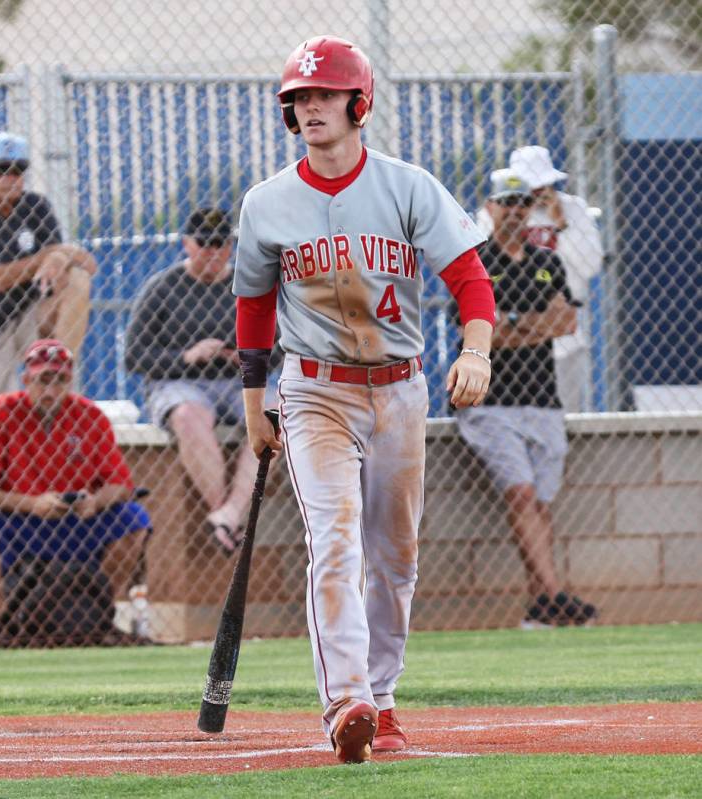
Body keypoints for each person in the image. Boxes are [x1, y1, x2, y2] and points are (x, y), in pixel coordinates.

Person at [231, 36, 495, 763]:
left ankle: (382, 699)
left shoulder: (407, 186)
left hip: (400, 390)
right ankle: (346, 700)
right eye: (298, 98)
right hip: (314, 390)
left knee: (394, 555)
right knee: (335, 539)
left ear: (358, 103)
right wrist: (256, 408)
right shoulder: (268, 202)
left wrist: (475, 351)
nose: (308, 107)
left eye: (322, 95)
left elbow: (470, 280)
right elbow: (253, 310)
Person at [455, 169, 598, 629]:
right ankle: (555, 595)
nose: (516, 211)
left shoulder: (547, 260)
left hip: (542, 398)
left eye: (523, 203)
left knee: (538, 502)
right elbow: (477, 335)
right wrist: (531, 326)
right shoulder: (475, 260)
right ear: (491, 208)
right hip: (491, 400)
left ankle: (540, 607)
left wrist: (511, 325)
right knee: (520, 492)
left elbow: (566, 323)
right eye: (506, 203)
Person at [0, 339, 151, 647]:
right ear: (26, 379)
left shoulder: (89, 415)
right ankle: (7, 627)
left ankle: (97, 618)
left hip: (77, 520)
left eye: (59, 380)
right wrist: (31, 504)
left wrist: (94, 501)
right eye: (42, 380)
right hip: (19, 519)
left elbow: (121, 484)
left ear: (69, 381)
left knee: (134, 518)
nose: (50, 390)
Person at [125, 208, 275, 555]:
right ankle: (224, 513)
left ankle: (229, 515)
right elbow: (134, 356)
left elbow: (280, 346)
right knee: (188, 417)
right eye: (204, 244)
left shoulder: (247, 284)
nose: (212, 252)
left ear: (231, 246)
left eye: (220, 244)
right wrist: (186, 357)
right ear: (187, 245)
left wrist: (248, 354)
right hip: (180, 381)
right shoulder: (163, 287)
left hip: (240, 380)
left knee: (273, 414)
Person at [0, 131, 97, 407]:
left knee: (77, 279)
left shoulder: (35, 206)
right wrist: (51, 255)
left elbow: (86, 263)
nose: (10, 178)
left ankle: (58, 372)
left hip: (29, 313)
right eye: (1, 170)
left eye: (17, 170)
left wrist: (60, 258)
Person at [476, 145, 603, 411]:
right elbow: (483, 263)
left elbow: (590, 266)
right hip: (511, 333)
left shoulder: (573, 209)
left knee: (565, 415)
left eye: (541, 186)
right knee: (509, 412)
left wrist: (561, 224)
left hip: (562, 330)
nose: (535, 194)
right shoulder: (499, 212)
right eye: (528, 187)